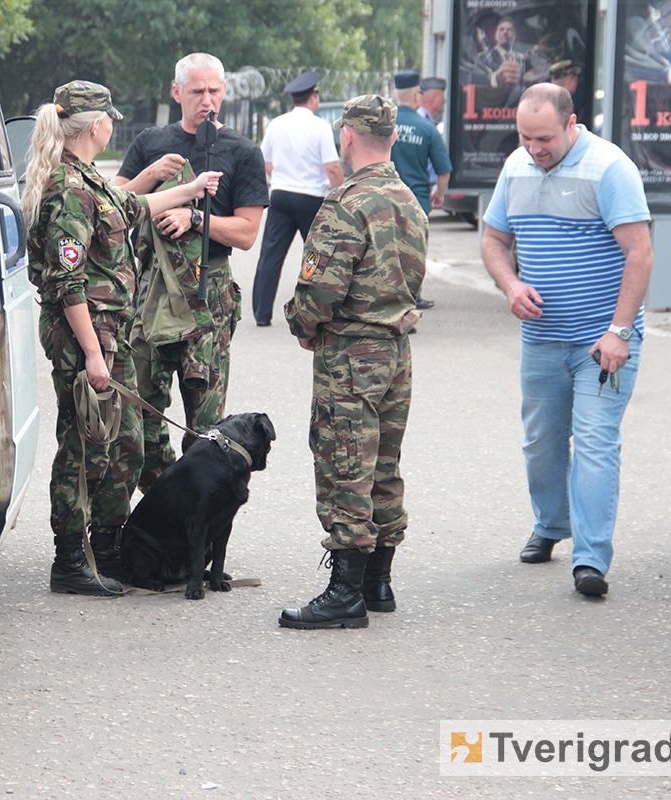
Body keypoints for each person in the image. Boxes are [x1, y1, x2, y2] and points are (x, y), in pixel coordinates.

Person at [23, 80, 221, 595]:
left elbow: (134, 207)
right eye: (110, 116)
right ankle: (70, 560)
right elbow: (67, 283)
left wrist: (193, 190)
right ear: (97, 126)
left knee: (126, 444)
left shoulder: (90, 179)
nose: (114, 122)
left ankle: (107, 548)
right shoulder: (68, 189)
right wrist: (92, 353)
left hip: (115, 334)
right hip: (86, 337)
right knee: (84, 446)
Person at [481, 83, 653, 598]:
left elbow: (639, 253)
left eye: (545, 139)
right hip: (541, 339)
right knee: (542, 443)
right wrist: (511, 285)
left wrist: (619, 331)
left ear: (572, 123)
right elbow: (493, 239)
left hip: (603, 342)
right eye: (525, 137)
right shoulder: (515, 167)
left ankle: (591, 559)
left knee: (596, 443)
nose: (535, 149)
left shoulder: (610, 168)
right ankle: (551, 524)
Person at [278, 95, 428, 630]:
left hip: (350, 356)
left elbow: (319, 288)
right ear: (390, 136)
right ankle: (378, 582)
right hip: (395, 351)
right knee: (383, 463)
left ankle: (345, 594)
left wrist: (301, 324)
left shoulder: (348, 201)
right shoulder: (408, 198)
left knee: (345, 463)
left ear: (347, 135)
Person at [113, 53, 269, 492]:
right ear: (176, 92)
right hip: (153, 290)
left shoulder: (242, 151)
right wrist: (148, 175)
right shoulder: (151, 142)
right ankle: (163, 501)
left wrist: (196, 220)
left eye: (214, 91)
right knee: (141, 411)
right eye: (197, 91)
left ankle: (196, 524)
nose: (207, 101)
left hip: (208, 294)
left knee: (206, 424)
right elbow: (112, 204)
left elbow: (246, 232)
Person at [251, 70, 343, 327]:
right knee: (315, 254)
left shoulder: (276, 124)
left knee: (271, 254)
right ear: (313, 97)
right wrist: (341, 194)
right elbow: (333, 168)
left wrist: (280, 176)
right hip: (311, 198)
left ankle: (261, 313)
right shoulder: (321, 127)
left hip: (280, 194)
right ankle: (314, 310)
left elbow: (265, 161)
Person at [392, 70, 450, 315]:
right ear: (418, 96)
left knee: (386, 251)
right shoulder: (427, 128)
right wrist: (439, 193)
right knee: (413, 254)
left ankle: (389, 301)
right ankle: (411, 300)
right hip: (416, 201)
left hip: (384, 200)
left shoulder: (383, 124)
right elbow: (443, 169)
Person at [477, 17, 531, 89]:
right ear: (496, 35)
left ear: (515, 36)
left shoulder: (521, 59)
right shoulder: (483, 58)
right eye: (501, 29)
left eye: (509, 30)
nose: (505, 32)